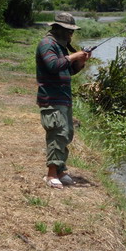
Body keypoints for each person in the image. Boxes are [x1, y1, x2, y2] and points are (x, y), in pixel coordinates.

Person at [36, 12, 90, 189]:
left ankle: (60, 170)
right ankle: (51, 175)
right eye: (68, 31)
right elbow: (53, 66)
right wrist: (73, 57)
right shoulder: (47, 44)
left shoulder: (61, 46)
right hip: (51, 98)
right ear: (58, 29)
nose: (71, 35)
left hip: (63, 98)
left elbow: (67, 71)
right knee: (57, 133)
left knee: (66, 134)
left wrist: (80, 63)